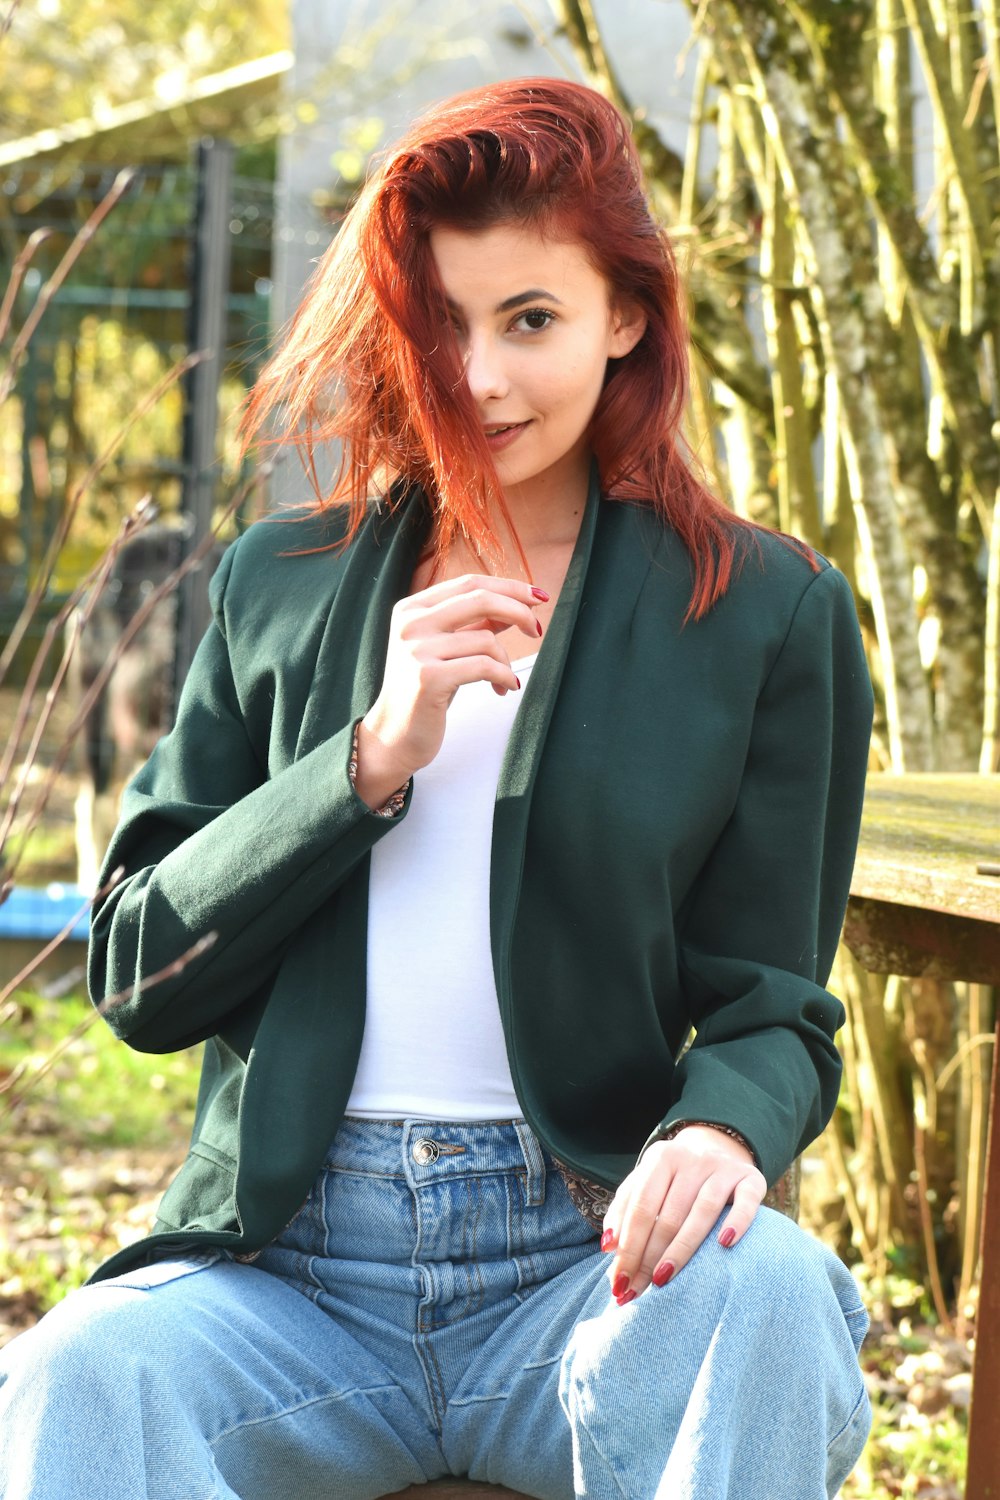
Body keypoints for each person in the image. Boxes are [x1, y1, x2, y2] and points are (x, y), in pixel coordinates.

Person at [0, 78, 874, 1498]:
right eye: (442, 327)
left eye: (531, 320)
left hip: (585, 1267)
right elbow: (139, 975)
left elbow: (778, 1007)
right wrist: (362, 763)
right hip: (289, 1281)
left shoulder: (763, 611)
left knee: (769, 1297)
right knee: (78, 1377)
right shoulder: (273, 590)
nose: (480, 378)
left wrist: (719, 1126)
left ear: (626, 318)